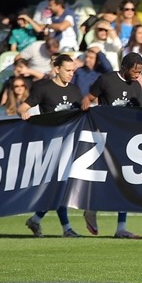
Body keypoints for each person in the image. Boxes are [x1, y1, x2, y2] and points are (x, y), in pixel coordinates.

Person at [78, 52, 142, 239]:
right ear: (125, 67)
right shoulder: (106, 80)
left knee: (125, 181)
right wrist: (86, 111)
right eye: (135, 70)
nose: (138, 74)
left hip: (126, 140)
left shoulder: (137, 86)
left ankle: (121, 227)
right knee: (105, 180)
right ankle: (91, 209)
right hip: (104, 138)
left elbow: (137, 113)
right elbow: (87, 98)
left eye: (140, 71)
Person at [22, 53, 83, 238]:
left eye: (73, 70)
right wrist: (25, 114)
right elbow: (23, 107)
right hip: (51, 145)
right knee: (60, 187)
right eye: (68, 70)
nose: (71, 74)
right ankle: (65, 229)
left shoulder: (75, 90)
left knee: (60, 188)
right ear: (57, 69)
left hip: (70, 144)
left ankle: (37, 220)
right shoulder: (44, 89)